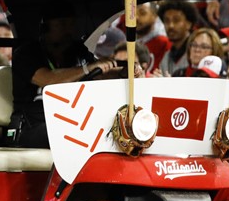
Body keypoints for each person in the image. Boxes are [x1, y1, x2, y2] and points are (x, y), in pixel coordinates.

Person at [11, 14, 136, 148]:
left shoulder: (78, 51)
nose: (69, 30)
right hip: (30, 125)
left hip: (72, 121)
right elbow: (47, 79)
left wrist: (120, 73)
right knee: (79, 135)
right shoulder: (26, 53)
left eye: (71, 24)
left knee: (121, 131)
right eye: (62, 24)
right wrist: (87, 68)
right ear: (45, 27)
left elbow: (96, 75)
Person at [155, 0, 198, 76]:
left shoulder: (197, 52)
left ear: (189, 24)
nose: (171, 25)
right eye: (167, 21)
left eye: (176, 20)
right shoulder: (165, 57)